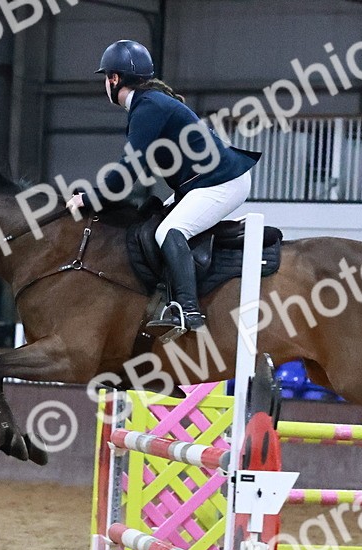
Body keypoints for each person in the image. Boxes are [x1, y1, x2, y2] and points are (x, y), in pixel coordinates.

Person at [65, 39, 259, 333]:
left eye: (106, 77)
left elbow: (128, 168)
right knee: (151, 222)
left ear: (114, 79)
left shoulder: (148, 107)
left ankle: (187, 311)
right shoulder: (148, 104)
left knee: (169, 230)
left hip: (223, 182)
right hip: (202, 182)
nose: (106, 84)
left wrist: (90, 198)